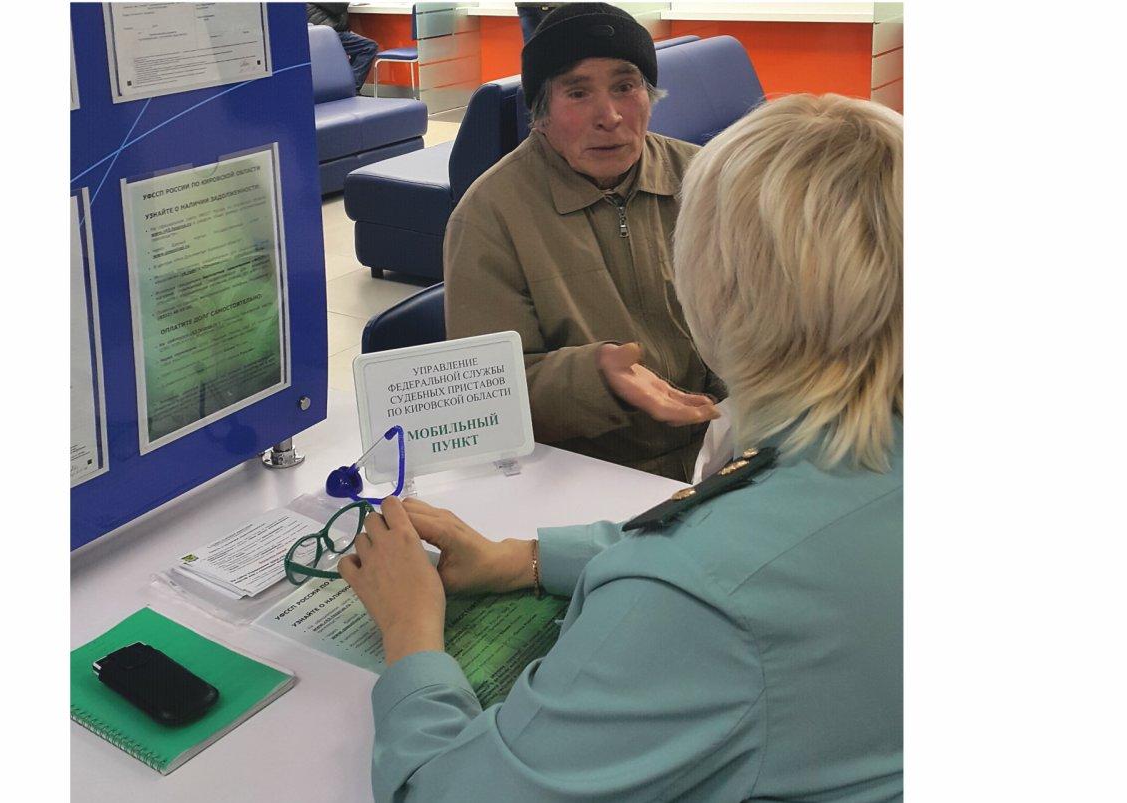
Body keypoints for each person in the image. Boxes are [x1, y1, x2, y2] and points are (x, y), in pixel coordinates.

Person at [340, 93, 904, 801]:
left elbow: (447, 791)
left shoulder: (695, 603)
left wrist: (409, 628)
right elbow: (780, 536)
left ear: (715, 293)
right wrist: (529, 558)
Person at [444, 3, 724, 483]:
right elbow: (484, 394)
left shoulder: (707, 179)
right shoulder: (490, 215)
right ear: (540, 115)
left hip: (724, 448)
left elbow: (764, 318)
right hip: (588, 471)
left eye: (625, 86)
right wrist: (597, 378)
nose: (610, 116)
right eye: (577, 92)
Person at [307, 3, 377, 94]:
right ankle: (352, 89)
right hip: (326, 33)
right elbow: (338, 6)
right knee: (368, 47)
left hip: (328, 30)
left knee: (365, 47)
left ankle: (350, 87)